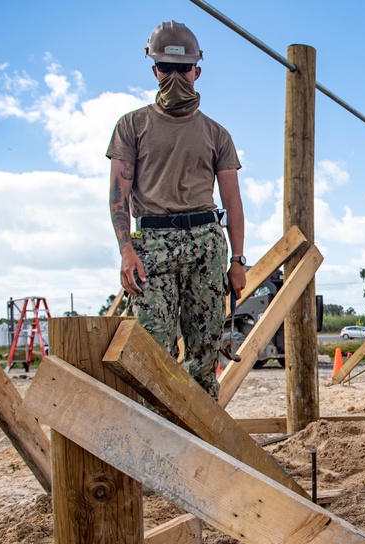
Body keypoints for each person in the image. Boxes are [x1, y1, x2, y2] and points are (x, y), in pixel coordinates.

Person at [106, 21, 246, 400]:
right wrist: (126, 250)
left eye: (181, 68)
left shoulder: (216, 134)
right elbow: (118, 197)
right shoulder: (132, 126)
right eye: (165, 68)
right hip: (151, 242)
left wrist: (237, 260)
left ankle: (205, 442)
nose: (174, 76)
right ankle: (159, 440)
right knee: (154, 352)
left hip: (205, 241)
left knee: (204, 353)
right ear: (154, 70)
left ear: (197, 71)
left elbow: (232, 202)